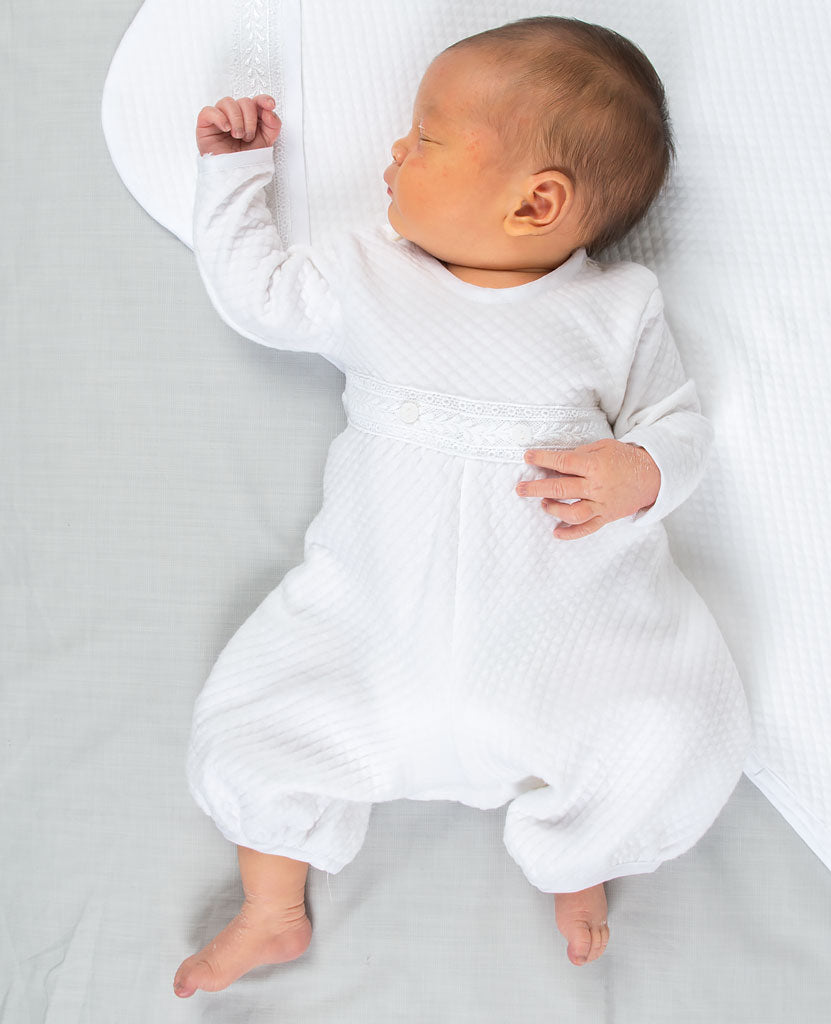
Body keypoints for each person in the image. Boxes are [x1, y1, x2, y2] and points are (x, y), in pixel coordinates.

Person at [174, 15, 750, 999]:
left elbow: (677, 425)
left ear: (537, 202)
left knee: (669, 729)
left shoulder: (616, 310)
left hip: (558, 644)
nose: (394, 152)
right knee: (250, 724)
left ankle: (580, 858)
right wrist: (236, 177)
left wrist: (640, 473)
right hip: (368, 626)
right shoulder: (367, 275)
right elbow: (260, 298)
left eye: (426, 138)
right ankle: (273, 908)